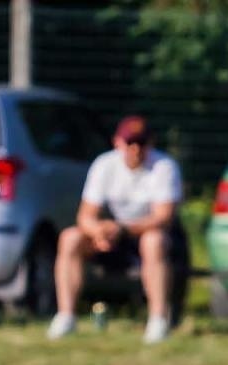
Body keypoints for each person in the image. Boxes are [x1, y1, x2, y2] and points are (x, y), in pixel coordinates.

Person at [46, 115, 183, 345]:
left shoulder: (164, 167)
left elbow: (163, 217)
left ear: (151, 143)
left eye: (142, 142)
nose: (136, 149)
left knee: (154, 241)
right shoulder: (104, 165)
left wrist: (122, 230)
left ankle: (158, 320)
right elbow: (85, 216)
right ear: (117, 142)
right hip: (114, 235)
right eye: (130, 142)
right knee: (70, 238)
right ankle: (65, 316)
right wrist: (98, 231)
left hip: (147, 235)